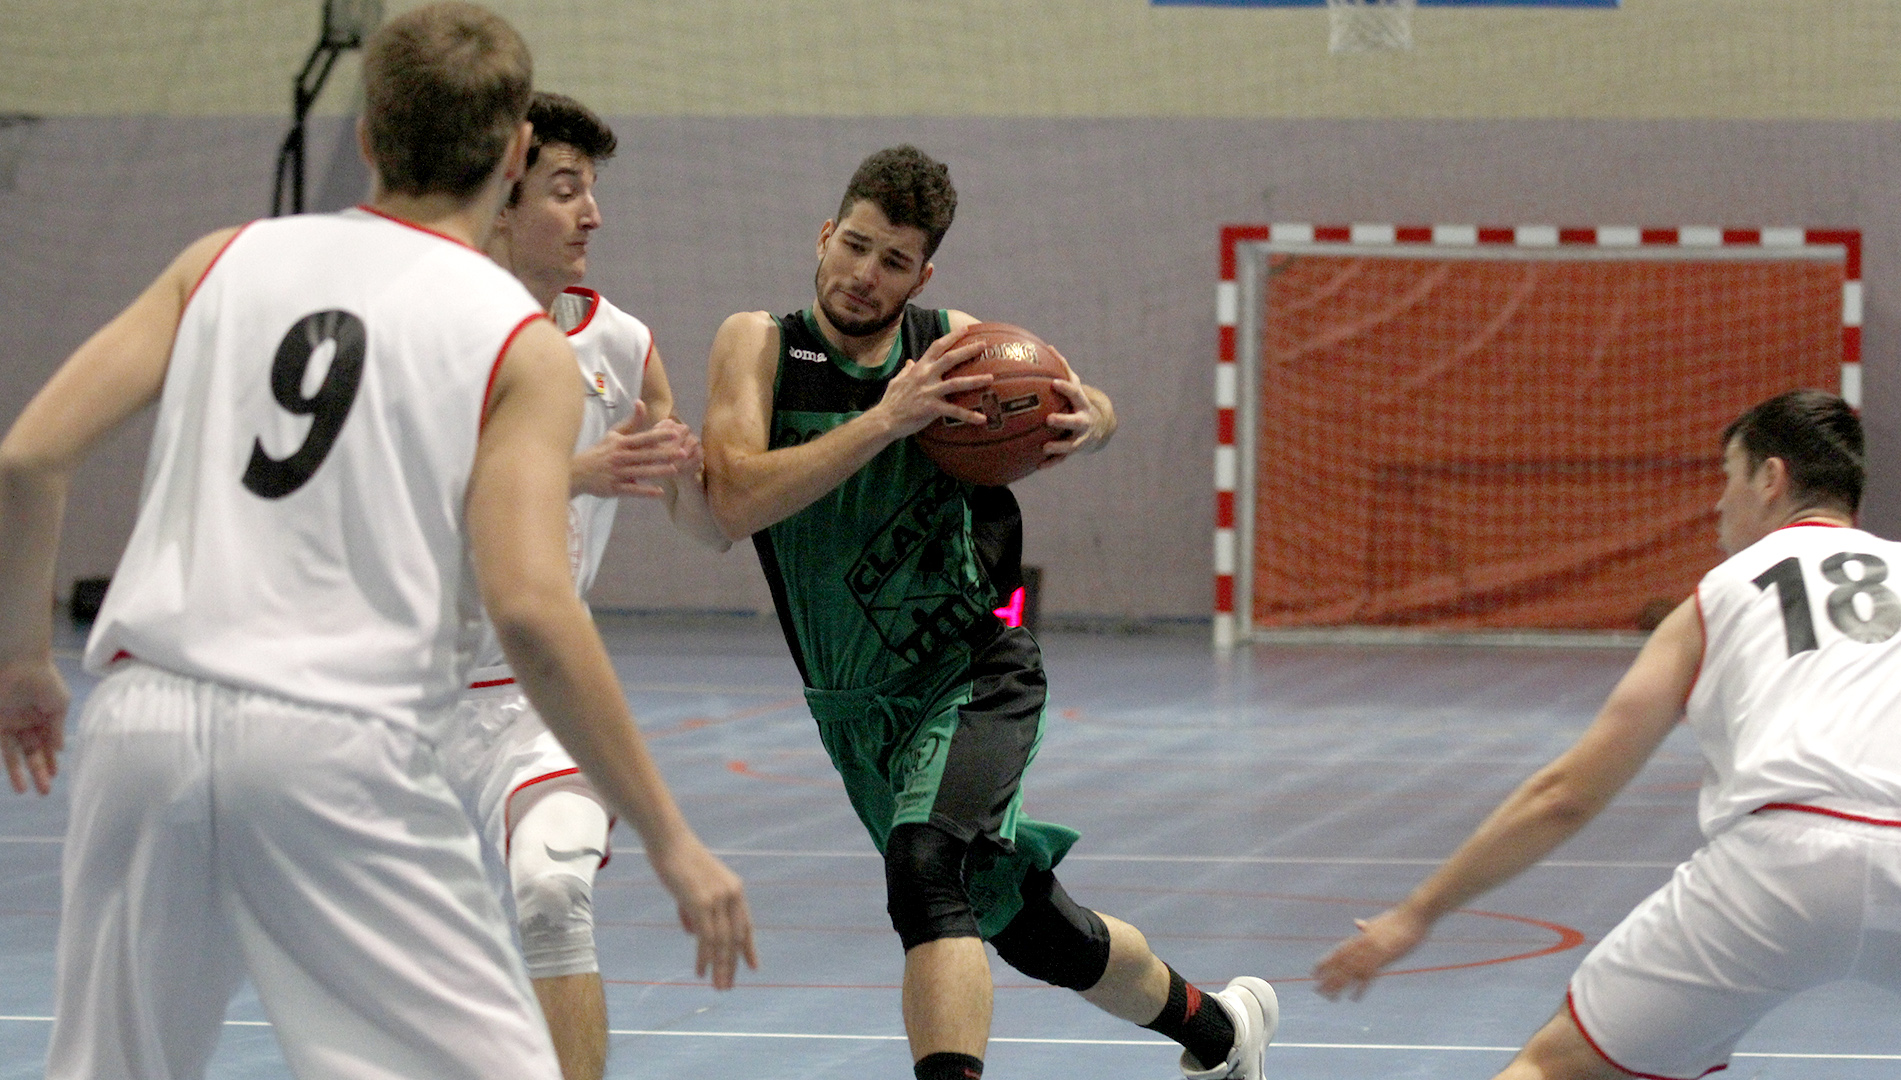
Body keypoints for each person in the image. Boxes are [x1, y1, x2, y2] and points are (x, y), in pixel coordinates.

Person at [0, 6, 752, 1078]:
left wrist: (25, 663)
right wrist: (672, 838)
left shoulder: (221, 258)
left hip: (141, 722)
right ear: (510, 152)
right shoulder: (518, 341)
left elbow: (26, 460)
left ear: (367, 138)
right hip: (333, 736)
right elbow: (534, 607)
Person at [702, 143, 1280, 1080]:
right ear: (824, 235)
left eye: (893, 260)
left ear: (922, 273)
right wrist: (887, 418)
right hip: (852, 707)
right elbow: (734, 499)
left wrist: (1090, 418)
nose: (864, 274)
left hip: (974, 667)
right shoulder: (760, 344)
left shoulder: (953, 346)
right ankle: (1222, 1032)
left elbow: (1079, 398)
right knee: (1032, 930)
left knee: (925, 869)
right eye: (853, 246)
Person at [1314, 388, 1901, 1080]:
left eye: (1727, 476)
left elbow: (1565, 794)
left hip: (1783, 864)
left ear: (1771, 478)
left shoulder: (1718, 597)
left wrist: (1418, 913)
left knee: (1552, 1067)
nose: (1718, 504)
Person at [439, 89, 729, 1080]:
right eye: (565, 189)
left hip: (533, 698)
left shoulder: (624, 345)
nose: (591, 213)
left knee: (554, 890)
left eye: (593, 190)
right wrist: (575, 470)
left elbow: (704, 526)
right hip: (404, 700)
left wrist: (690, 469)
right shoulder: (433, 328)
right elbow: (403, 491)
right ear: (503, 203)